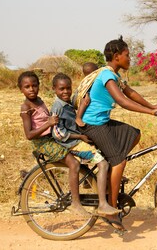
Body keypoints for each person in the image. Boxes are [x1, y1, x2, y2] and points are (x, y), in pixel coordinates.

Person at [78, 36, 157, 231]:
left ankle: (110, 174)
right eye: (127, 55)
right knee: (120, 161)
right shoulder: (107, 76)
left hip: (102, 122)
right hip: (92, 125)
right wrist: (151, 112)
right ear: (117, 56)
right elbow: (123, 102)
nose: (130, 59)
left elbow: (131, 93)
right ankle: (110, 207)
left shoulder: (114, 75)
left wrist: (153, 105)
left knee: (134, 134)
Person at [17, 71, 89, 217]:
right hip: (42, 142)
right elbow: (29, 135)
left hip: (51, 138)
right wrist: (48, 124)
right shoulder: (26, 107)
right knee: (74, 164)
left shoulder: (39, 101)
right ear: (21, 89)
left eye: (34, 85)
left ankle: (88, 180)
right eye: (27, 87)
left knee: (79, 148)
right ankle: (76, 203)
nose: (31, 89)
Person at [50, 72, 121, 216]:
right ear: (54, 89)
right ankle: (102, 204)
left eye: (68, 88)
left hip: (77, 140)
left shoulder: (67, 103)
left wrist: (83, 102)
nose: (65, 92)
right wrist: (80, 136)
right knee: (103, 164)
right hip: (73, 144)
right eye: (61, 89)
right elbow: (57, 133)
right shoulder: (58, 107)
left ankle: (95, 182)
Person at [75, 62, 99, 127]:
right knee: (85, 100)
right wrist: (87, 95)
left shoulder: (93, 80)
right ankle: (78, 118)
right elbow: (83, 91)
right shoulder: (87, 82)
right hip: (80, 97)